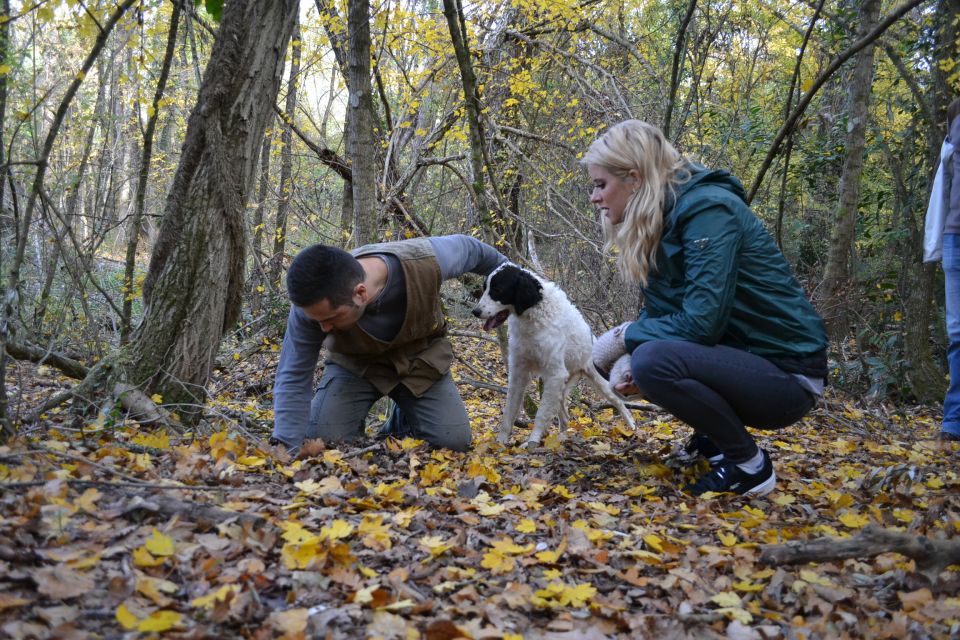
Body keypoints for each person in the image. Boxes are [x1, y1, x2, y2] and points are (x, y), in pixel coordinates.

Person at [586, 120, 828, 497]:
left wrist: (624, 337)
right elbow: (665, 313)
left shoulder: (708, 211)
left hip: (789, 377)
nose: (595, 197)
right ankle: (713, 442)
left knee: (655, 361)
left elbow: (701, 323)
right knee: (647, 361)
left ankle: (750, 466)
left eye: (601, 185)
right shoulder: (662, 221)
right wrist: (630, 360)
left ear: (633, 179)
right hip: (747, 364)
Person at [270, 234, 507, 454]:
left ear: (360, 293)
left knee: (453, 444)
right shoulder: (310, 307)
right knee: (324, 440)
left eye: (331, 319)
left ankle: (404, 417)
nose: (324, 329)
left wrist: (519, 289)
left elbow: (473, 249)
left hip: (421, 362)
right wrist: (287, 450)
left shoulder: (425, 260)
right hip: (355, 367)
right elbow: (293, 374)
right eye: (318, 321)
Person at [923, 98, 960, 442]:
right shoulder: (955, 112)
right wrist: (934, 242)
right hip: (955, 237)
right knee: (958, 333)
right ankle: (954, 422)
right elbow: (944, 180)